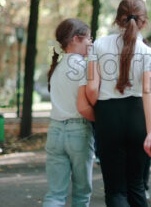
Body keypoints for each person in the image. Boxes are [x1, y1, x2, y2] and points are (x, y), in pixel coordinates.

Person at [86, 0, 151, 207]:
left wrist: (98, 111)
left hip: (108, 117)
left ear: (117, 20)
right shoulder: (149, 53)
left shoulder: (99, 45)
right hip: (138, 117)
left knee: (115, 190)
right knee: (136, 186)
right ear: (144, 23)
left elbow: (92, 88)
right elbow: (149, 90)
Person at [43, 18, 95, 207]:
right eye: (89, 38)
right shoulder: (82, 67)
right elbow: (84, 106)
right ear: (75, 39)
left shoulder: (56, 68)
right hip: (78, 132)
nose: (91, 43)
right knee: (81, 194)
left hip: (55, 132)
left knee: (55, 194)